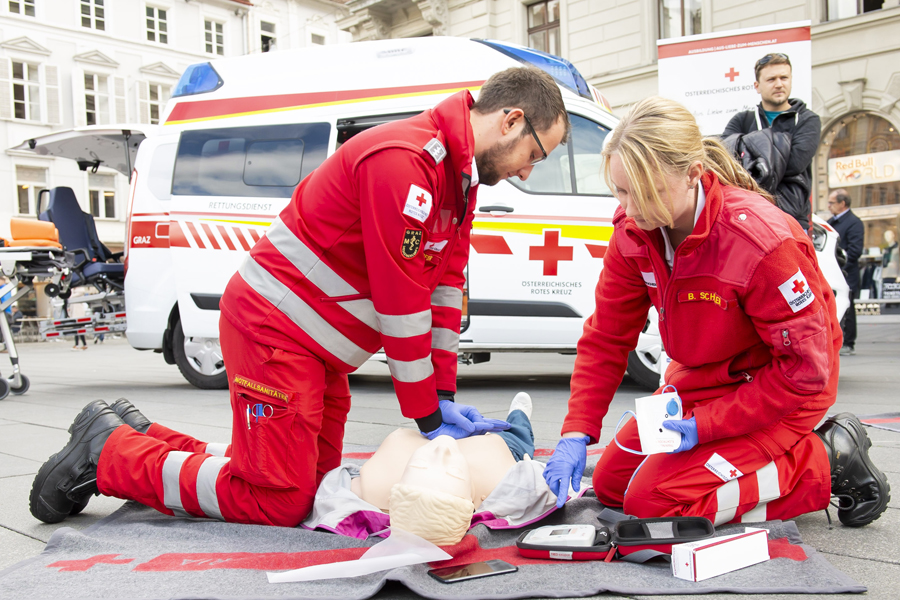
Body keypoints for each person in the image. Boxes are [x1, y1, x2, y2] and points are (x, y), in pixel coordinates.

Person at [30, 66, 571, 527]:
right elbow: (401, 300)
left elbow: (446, 289)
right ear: (511, 120)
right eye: (535, 153)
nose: (528, 169)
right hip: (276, 334)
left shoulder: (455, 180)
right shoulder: (405, 162)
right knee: (279, 501)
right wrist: (427, 414)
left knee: (312, 485)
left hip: (312, 347)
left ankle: (140, 434)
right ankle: (109, 455)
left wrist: (445, 391)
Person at [543, 96, 889, 529]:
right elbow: (607, 336)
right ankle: (762, 467)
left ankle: (826, 458)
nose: (628, 209)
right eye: (620, 191)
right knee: (613, 488)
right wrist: (576, 431)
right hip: (705, 379)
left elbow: (805, 371)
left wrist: (704, 426)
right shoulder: (636, 232)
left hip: (780, 391)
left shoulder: (761, 243)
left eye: (642, 193)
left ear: (691, 174)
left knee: (654, 508)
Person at [305, 392, 560, 545]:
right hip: (501, 444)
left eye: (420, 464)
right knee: (518, 432)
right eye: (452, 471)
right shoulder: (504, 489)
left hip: (431, 425)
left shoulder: (374, 489)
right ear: (476, 503)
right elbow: (547, 485)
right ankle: (518, 415)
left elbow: (333, 495)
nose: (442, 449)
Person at [722, 52, 821, 233]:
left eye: (784, 77)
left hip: (792, 220)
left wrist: (751, 152)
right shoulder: (742, 120)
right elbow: (727, 163)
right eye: (771, 79)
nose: (779, 84)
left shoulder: (807, 120)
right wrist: (781, 147)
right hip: (751, 218)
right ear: (757, 86)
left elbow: (795, 164)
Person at [827, 189, 864, 356]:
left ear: (842, 203)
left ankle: (849, 342)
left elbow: (855, 251)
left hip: (846, 273)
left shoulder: (854, 222)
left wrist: (839, 264)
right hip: (834, 273)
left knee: (848, 308)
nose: (829, 206)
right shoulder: (830, 222)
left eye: (831, 203)